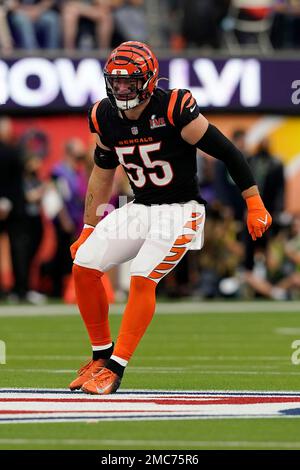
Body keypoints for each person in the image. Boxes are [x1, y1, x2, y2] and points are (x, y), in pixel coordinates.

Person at [70, 41, 272, 395]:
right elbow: (102, 173)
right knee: (84, 265)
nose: (120, 89)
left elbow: (229, 152)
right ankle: (100, 356)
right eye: (115, 82)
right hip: (140, 205)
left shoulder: (175, 107)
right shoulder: (104, 115)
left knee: (141, 276)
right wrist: (89, 226)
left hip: (181, 210)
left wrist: (254, 201)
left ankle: (115, 369)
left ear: (147, 81)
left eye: (128, 82)